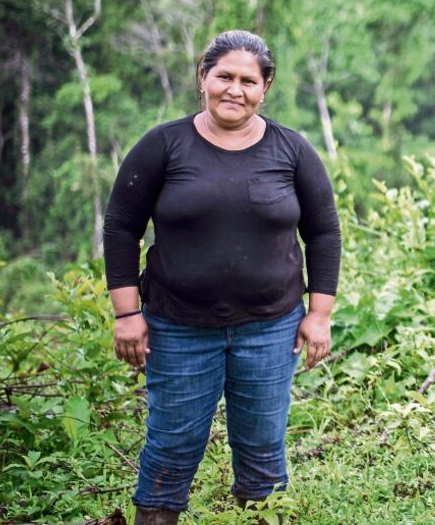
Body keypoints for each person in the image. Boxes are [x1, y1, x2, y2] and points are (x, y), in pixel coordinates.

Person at [103, 30, 342, 524]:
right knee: (171, 444)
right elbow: (121, 226)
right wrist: (127, 314)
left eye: (248, 81)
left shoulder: (291, 150)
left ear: (265, 87)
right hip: (178, 326)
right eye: (224, 76)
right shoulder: (163, 146)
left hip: (271, 327)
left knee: (261, 448)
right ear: (203, 78)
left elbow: (323, 232)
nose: (235, 89)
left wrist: (319, 315)